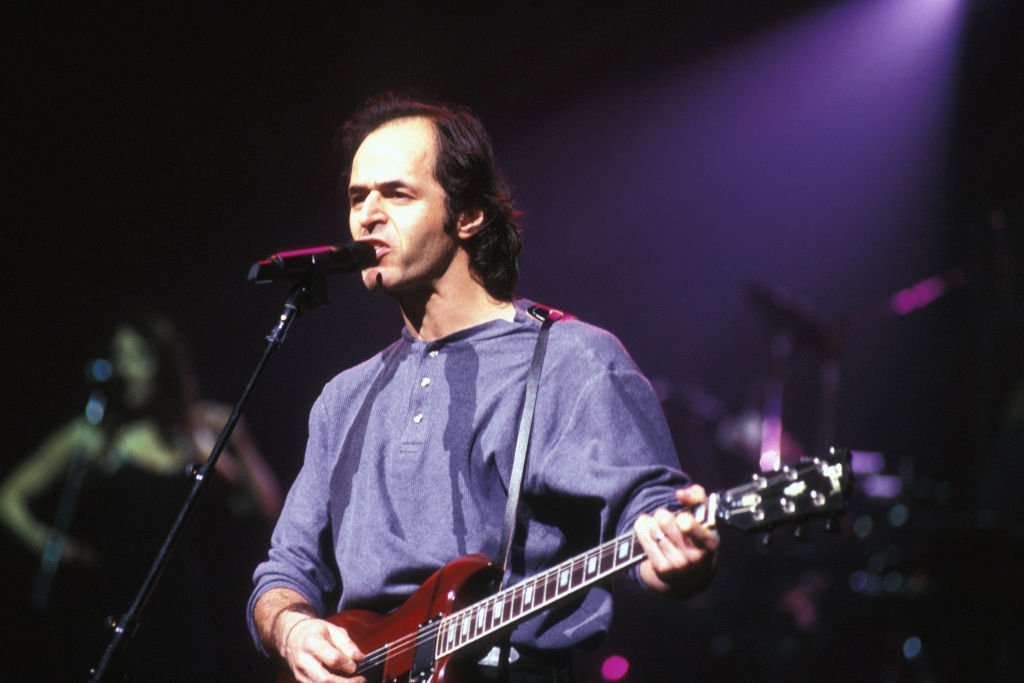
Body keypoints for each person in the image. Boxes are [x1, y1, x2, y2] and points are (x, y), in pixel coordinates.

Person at [248, 94, 719, 682]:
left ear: (468, 214)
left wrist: (678, 558)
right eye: (356, 196)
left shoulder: (572, 359)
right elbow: (284, 572)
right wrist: (293, 629)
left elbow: (648, 520)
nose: (366, 214)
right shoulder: (344, 397)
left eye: (395, 193)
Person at [0, 312, 283, 680]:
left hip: (196, 609)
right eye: (120, 357)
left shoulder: (203, 429)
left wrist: (235, 450)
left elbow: (267, 508)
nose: (125, 369)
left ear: (163, 363)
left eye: (137, 356)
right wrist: (52, 544)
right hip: (117, 606)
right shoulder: (96, 437)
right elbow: (10, 496)